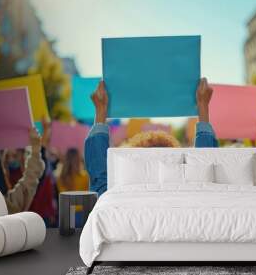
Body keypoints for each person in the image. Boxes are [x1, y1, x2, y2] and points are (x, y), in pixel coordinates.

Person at [84, 77, 218, 196]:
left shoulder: (121, 200)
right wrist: (202, 106)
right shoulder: (187, 197)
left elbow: (101, 182)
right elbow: (203, 169)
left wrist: (101, 110)